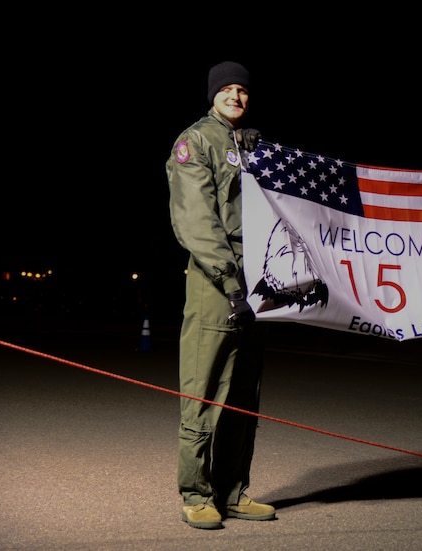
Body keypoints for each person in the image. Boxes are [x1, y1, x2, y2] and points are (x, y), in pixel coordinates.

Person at [166, 60, 275, 530]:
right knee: (205, 391)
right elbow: (198, 222)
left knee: (244, 394)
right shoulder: (195, 142)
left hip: (253, 286)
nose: (236, 96)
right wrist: (231, 285)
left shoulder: (247, 144)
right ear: (212, 94)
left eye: (243, 90)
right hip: (217, 285)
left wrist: (262, 159)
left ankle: (232, 490)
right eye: (228, 89)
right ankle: (195, 494)